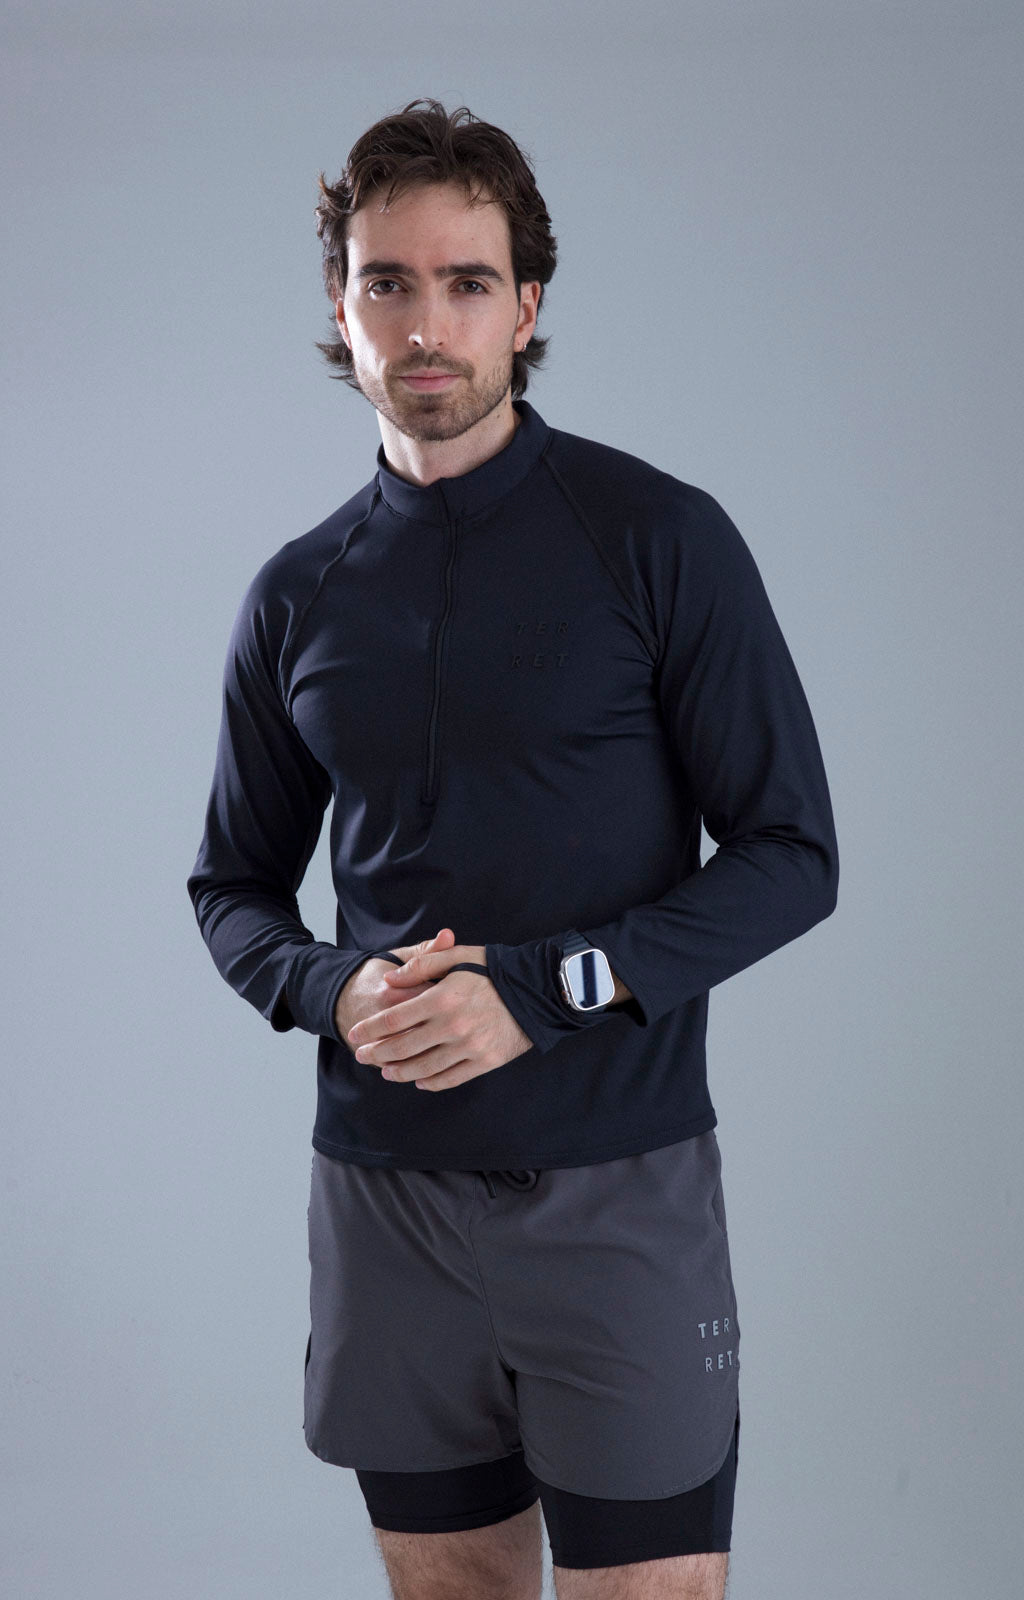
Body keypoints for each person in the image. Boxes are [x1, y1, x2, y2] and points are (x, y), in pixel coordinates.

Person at [186, 97, 839, 1600]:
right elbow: (232, 889)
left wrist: (546, 992)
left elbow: (792, 851)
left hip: (617, 1185)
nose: (427, 326)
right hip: (386, 1202)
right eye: (388, 283)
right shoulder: (298, 593)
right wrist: (332, 988)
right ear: (340, 305)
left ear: (527, 305)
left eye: (467, 282)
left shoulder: (657, 538)